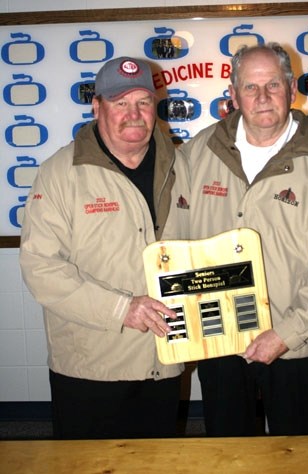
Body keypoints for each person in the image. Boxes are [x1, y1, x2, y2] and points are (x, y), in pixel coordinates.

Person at [178, 42, 308, 436]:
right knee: (228, 453)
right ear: (232, 94)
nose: (262, 98)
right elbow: (175, 242)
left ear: (291, 88)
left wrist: (286, 333)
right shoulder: (198, 153)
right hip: (221, 342)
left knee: (297, 456)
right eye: (250, 87)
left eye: (273, 85)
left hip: (297, 345)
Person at [19, 56, 190, 440]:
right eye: (120, 102)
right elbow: (41, 268)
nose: (134, 114)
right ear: (97, 106)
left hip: (163, 358)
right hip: (91, 367)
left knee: (157, 465)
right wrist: (122, 309)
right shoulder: (60, 173)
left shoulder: (181, 165)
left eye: (143, 102)